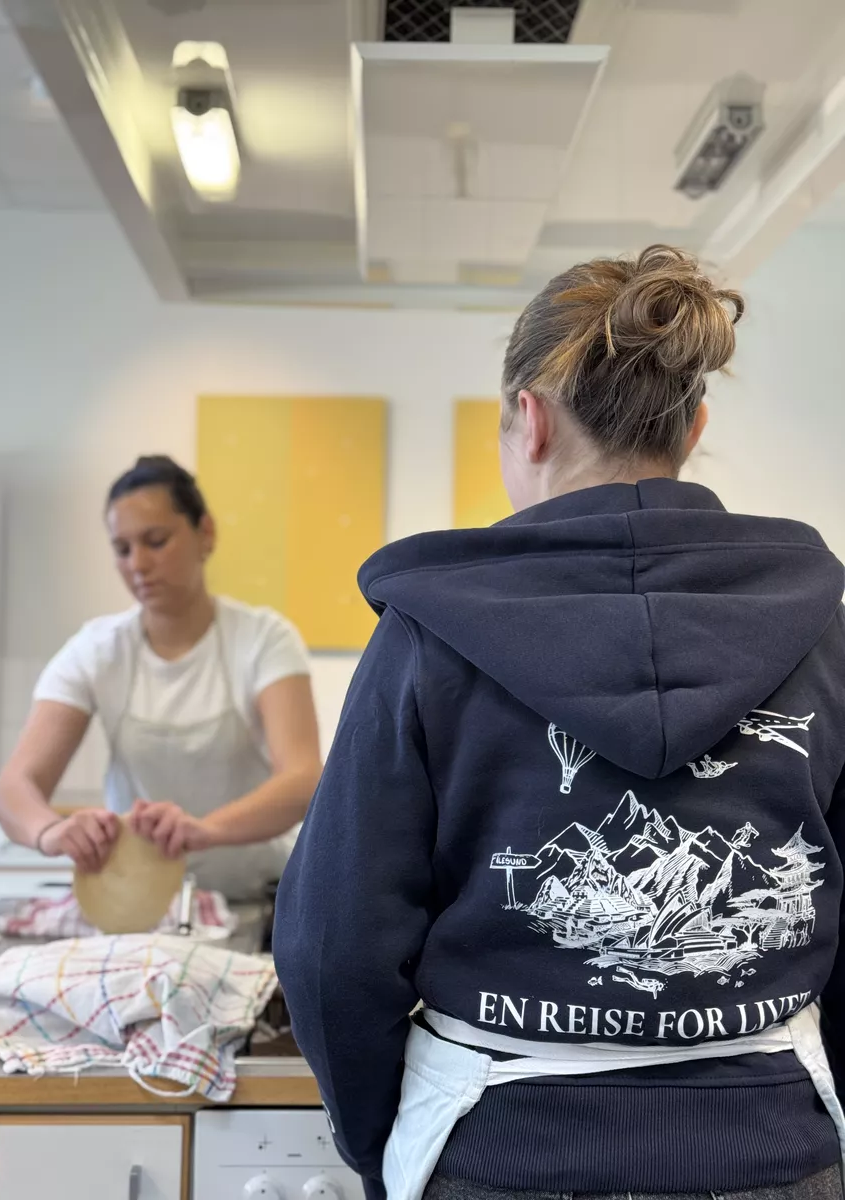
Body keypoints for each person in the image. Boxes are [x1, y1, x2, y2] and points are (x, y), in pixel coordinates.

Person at [275, 246, 845, 1200]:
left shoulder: (429, 635)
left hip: (499, 1154)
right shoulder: (823, 631)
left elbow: (332, 945)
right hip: (778, 1154)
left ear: (528, 421)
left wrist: (378, 1143)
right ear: (695, 425)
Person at [0, 455, 322, 900]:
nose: (138, 564)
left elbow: (302, 778)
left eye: (156, 541)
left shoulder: (264, 639)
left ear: (205, 533)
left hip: (254, 896)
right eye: (122, 549)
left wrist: (205, 829)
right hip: (137, 901)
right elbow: (15, 786)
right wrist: (51, 831)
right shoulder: (97, 650)